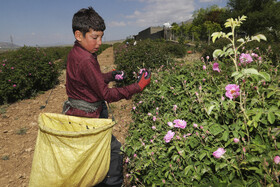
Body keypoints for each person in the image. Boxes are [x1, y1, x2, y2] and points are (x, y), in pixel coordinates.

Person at [63, 6, 151, 187]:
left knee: (91, 155)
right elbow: (106, 94)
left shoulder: (78, 53)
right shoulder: (86, 59)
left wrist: (110, 76)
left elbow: (89, 81)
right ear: (79, 35)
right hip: (87, 118)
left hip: (78, 114)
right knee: (114, 152)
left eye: (101, 37)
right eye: (95, 37)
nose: (99, 42)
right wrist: (137, 86)